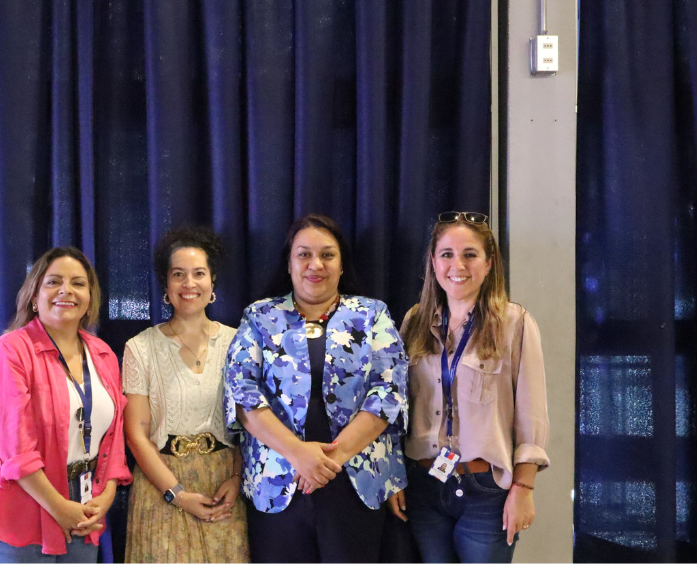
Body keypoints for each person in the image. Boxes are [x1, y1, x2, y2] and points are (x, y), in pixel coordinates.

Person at [225, 213, 409, 563]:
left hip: (355, 480)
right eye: (304, 254)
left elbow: (389, 391)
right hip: (279, 482)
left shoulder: (372, 315)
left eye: (327, 254)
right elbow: (241, 390)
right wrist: (297, 453)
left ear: (341, 265)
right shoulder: (260, 317)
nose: (315, 265)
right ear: (289, 264)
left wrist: (331, 460)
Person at [388, 212, 550, 563]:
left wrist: (523, 488)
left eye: (470, 254)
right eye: (446, 254)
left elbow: (531, 416)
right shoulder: (414, 321)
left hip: (486, 492)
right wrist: (393, 478)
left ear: (489, 263)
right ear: (433, 262)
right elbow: (397, 409)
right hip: (424, 486)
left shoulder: (514, 324)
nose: (457, 265)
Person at [0, 247, 132, 563]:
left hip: (85, 508)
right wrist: (60, 508)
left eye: (78, 283)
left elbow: (113, 440)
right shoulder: (10, 353)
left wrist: (106, 498)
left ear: (90, 297)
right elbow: (15, 451)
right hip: (21, 508)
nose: (66, 291)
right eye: (54, 282)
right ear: (34, 296)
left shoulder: (103, 355)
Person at [122, 226, 249, 563]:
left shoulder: (239, 343)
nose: (189, 284)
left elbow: (247, 424)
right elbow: (136, 433)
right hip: (161, 485)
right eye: (178, 275)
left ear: (212, 284)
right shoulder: (140, 348)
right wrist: (176, 494)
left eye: (198, 274)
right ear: (166, 286)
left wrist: (236, 478)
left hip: (222, 487)